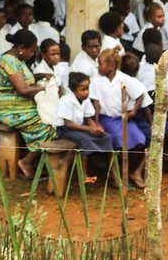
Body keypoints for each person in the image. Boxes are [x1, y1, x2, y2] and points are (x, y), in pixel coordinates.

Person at [0, 29, 55, 179]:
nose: (33, 54)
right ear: (21, 48)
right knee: (47, 126)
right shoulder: (9, 60)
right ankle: (26, 162)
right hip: (10, 109)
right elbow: (22, 88)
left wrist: (39, 76)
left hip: (22, 106)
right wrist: (44, 87)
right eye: (32, 51)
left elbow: (23, 79)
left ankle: (36, 162)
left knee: (52, 119)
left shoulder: (17, 60)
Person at [92, 46, 148, 187]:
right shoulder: (96, 80)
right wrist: (97, 122)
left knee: (139, 138)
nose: (98, 66)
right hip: (107, 119)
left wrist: (134, 111)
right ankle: (117, 173)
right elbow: (96, 103)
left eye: (101, 63)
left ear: (111, 66)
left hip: (123, 118)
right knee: (118, 138)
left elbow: (140, 93)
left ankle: (133, 172)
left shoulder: (124, 79)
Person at [56, 72, 114, 178]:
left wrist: (96, 127)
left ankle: (113, 173)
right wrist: (89, 128)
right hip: (65, 130)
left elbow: (88, 118)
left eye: (88, 89)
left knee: (106, 137)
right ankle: (83, 174)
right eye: (83, 89)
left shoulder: (85, 100)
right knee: (85, 140)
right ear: (74, 89)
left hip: (80, 127)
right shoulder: (66, 100)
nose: (86, 92)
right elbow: (68, 124)